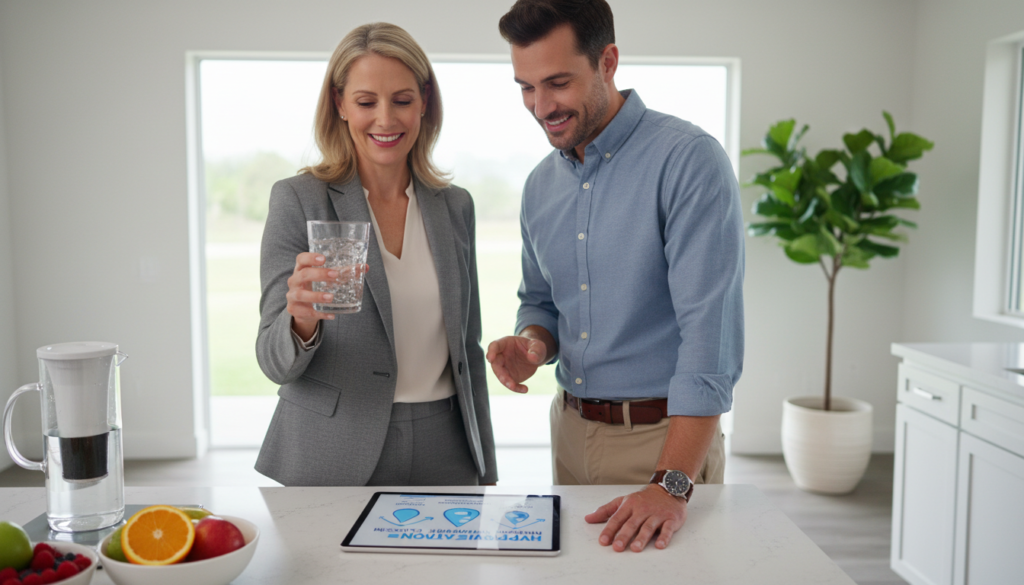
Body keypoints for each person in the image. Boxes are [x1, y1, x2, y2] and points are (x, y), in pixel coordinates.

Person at [487, 0, 744, 552]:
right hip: (568, 433)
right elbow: (539, 301)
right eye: (526, 87)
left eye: (558, 82)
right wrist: (532, 343)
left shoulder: (688, 161)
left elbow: (710, 342)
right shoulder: (539, 186)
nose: (541, 106)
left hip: (663, 443)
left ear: (607, 61)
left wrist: (671, 484)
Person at [254, 22, 497, 487]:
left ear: (425, 103)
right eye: (367, 102)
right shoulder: (299, 200)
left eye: (402, 100)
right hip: (332, 446)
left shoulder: (455, 206)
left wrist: (484, 465)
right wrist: (301, 322)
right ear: (339, 104)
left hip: (446, 446)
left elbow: (467, 345)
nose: (386, 120)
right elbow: (273, 361)